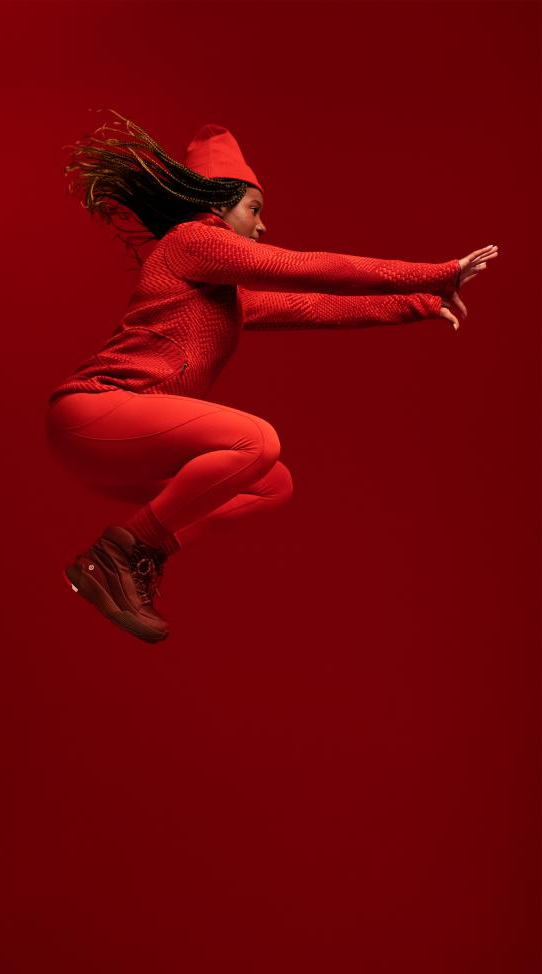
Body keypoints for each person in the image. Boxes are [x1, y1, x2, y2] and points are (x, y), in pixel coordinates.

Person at [45, 109, 498, 644]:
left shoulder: (220, 293)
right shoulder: (195, 240)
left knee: (271, 483)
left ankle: (137, 561)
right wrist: (437, 271)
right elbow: (311, 268)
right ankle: (116, 555)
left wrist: (421, 303)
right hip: (93, 413)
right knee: (256, 440)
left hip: (117, 448)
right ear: (217, 204)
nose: (262, 226)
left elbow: (312, 307)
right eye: (254, 209)